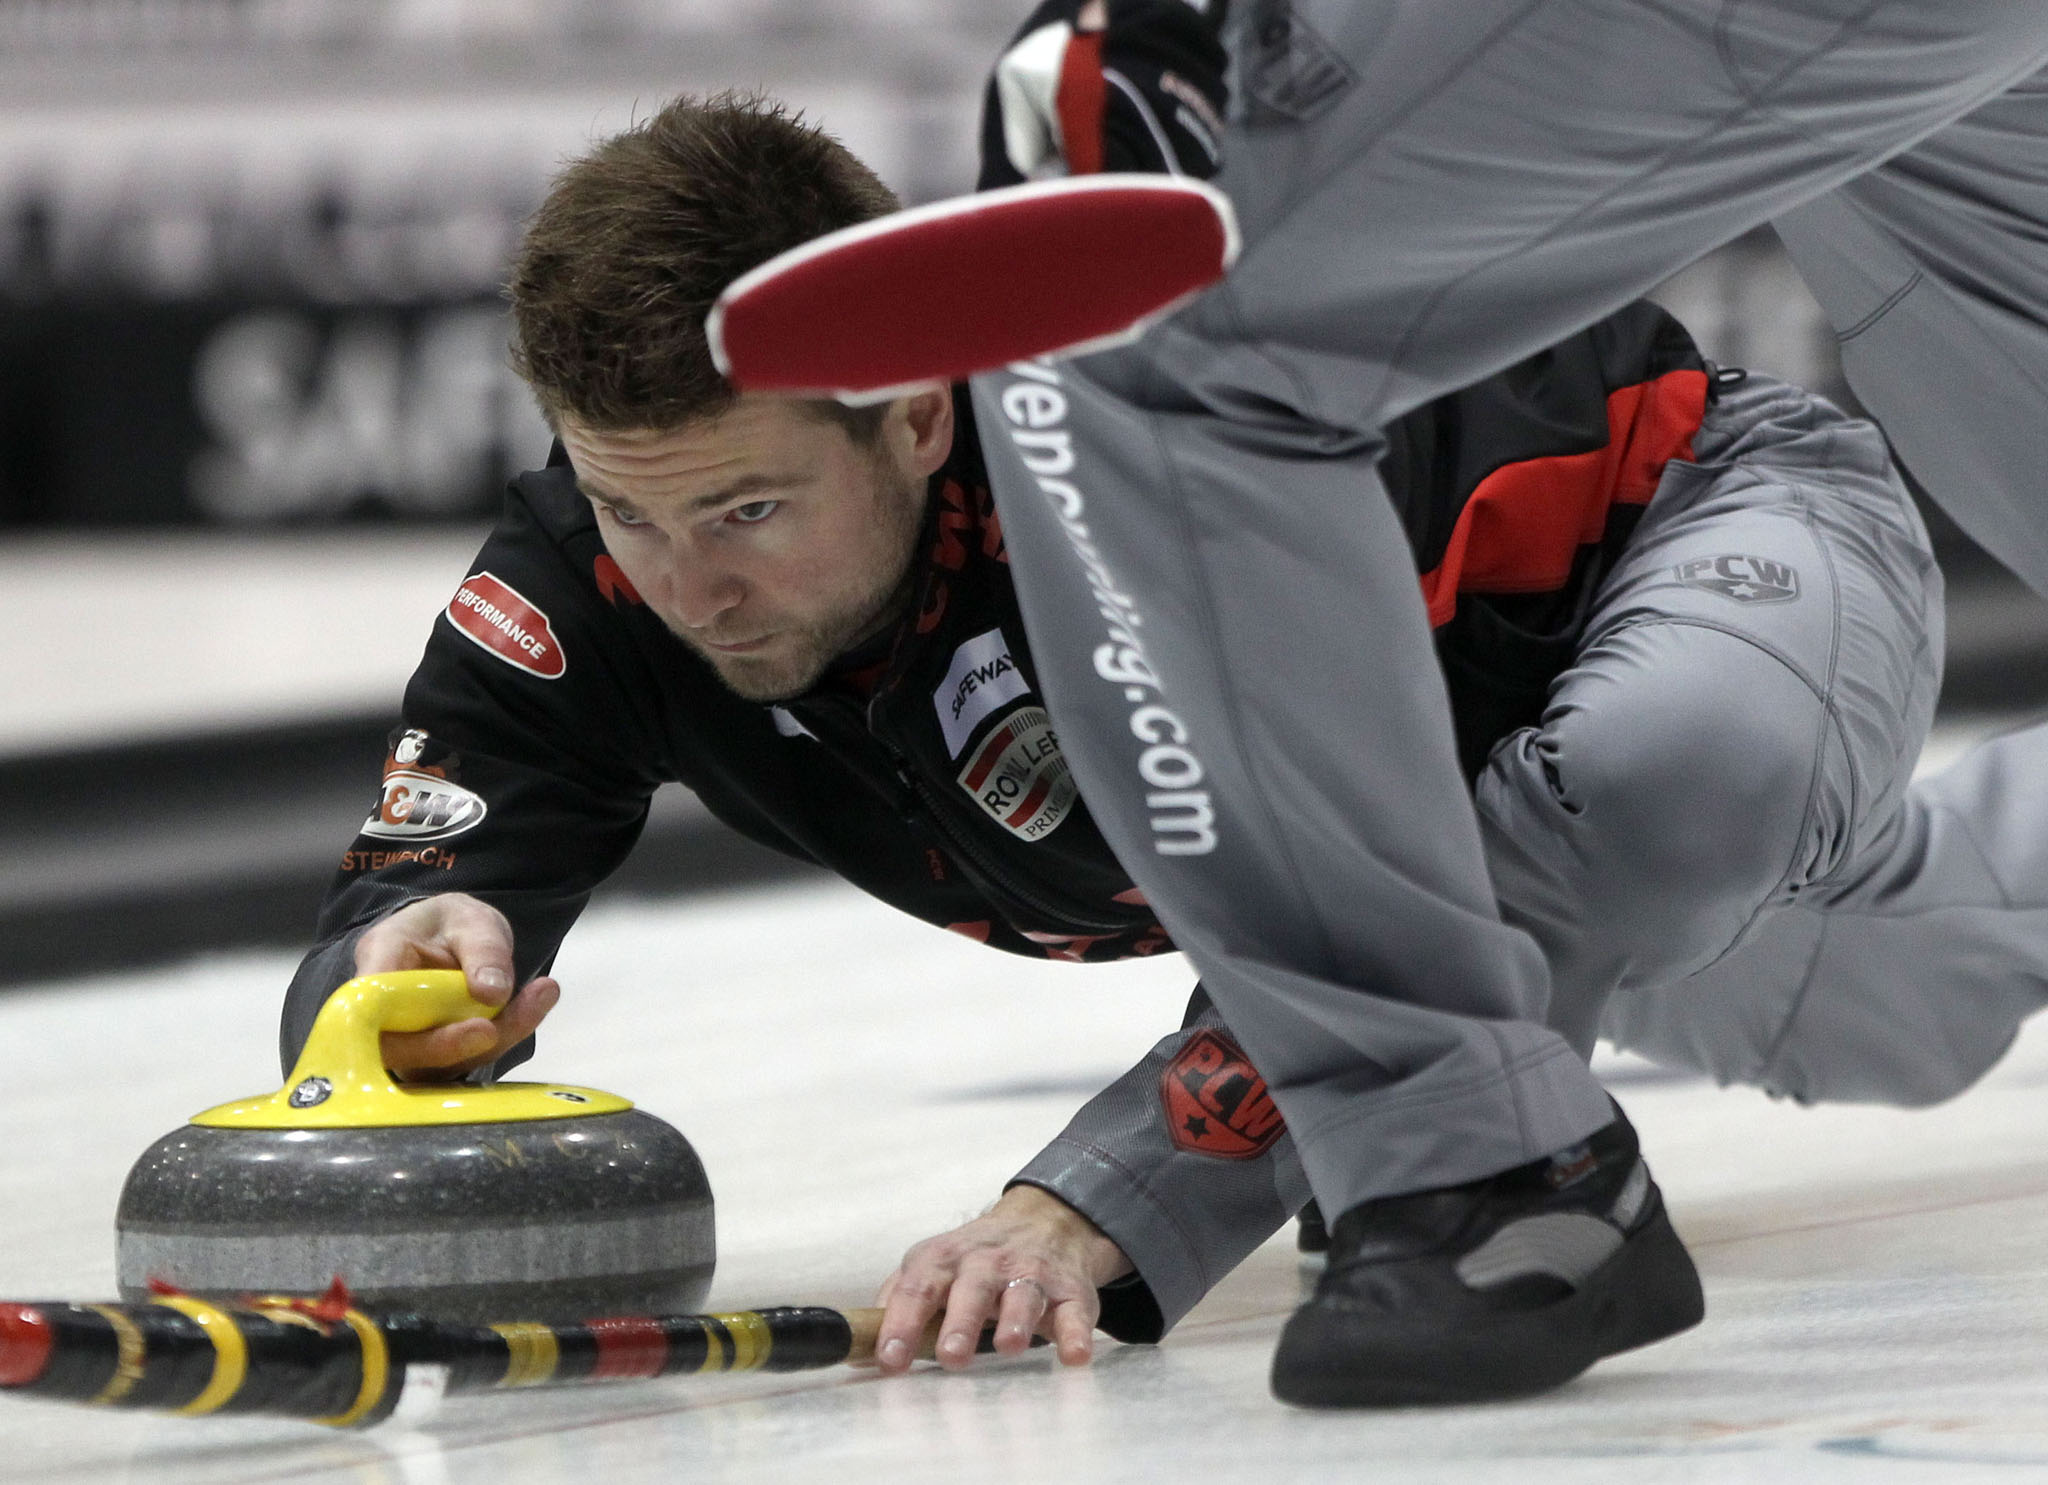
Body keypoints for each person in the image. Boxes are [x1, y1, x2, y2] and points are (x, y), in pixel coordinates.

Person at [278, 85, 2047, 1408]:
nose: (689, 588)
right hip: (1521, 854)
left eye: (746, 505)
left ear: (914, 410)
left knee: (1665, 787)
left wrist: (1094, 1202)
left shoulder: (1113, 472)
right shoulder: (607, 568)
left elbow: (1369, 898)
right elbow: (435, 852)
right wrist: (411, 956)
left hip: (1708, 529)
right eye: (630, 510)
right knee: (1911, 997)